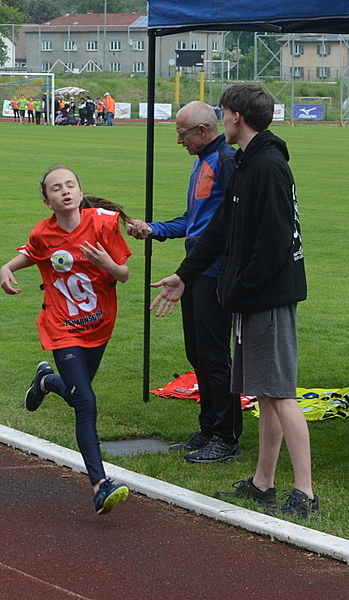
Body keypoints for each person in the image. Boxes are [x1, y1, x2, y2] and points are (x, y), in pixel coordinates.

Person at [150, 84, 318, 518]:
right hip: (252, 297)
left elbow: (276, 241)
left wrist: (240, 288)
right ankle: (263, 484)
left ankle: (305, 494)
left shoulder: (269, 165)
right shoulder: (244, 162)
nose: (221, 119)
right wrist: (184, 276)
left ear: (236, 117)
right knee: (265, 393)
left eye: (223, 112)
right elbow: (219, 230)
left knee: (280, 394)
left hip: (269, 298)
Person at [0, 166, 132, 515]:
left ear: (80, 191)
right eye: (56, 188)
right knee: (86, 401)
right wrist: (7, 268)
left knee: (76, 395)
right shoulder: (43, 233)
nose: (65, 191)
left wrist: (107, 264)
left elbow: (123, 274)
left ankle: (45, 381)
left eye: (70, 185)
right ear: (48, 201)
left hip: (99, 324)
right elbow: (33, 252)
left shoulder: (103, 225)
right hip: (61, 326)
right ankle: (100, 485)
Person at [127, 101, 243, 463]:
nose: (179, 141)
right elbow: (193, 221)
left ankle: (226, 437)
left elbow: (229, 224)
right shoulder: (202, 163)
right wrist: (153, 229)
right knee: (197, 353)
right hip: (195, 270)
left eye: (182, 134)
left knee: (214, 355)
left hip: (214, 273)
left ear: (203, 131)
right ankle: (209, 428)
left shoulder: (226, 161)